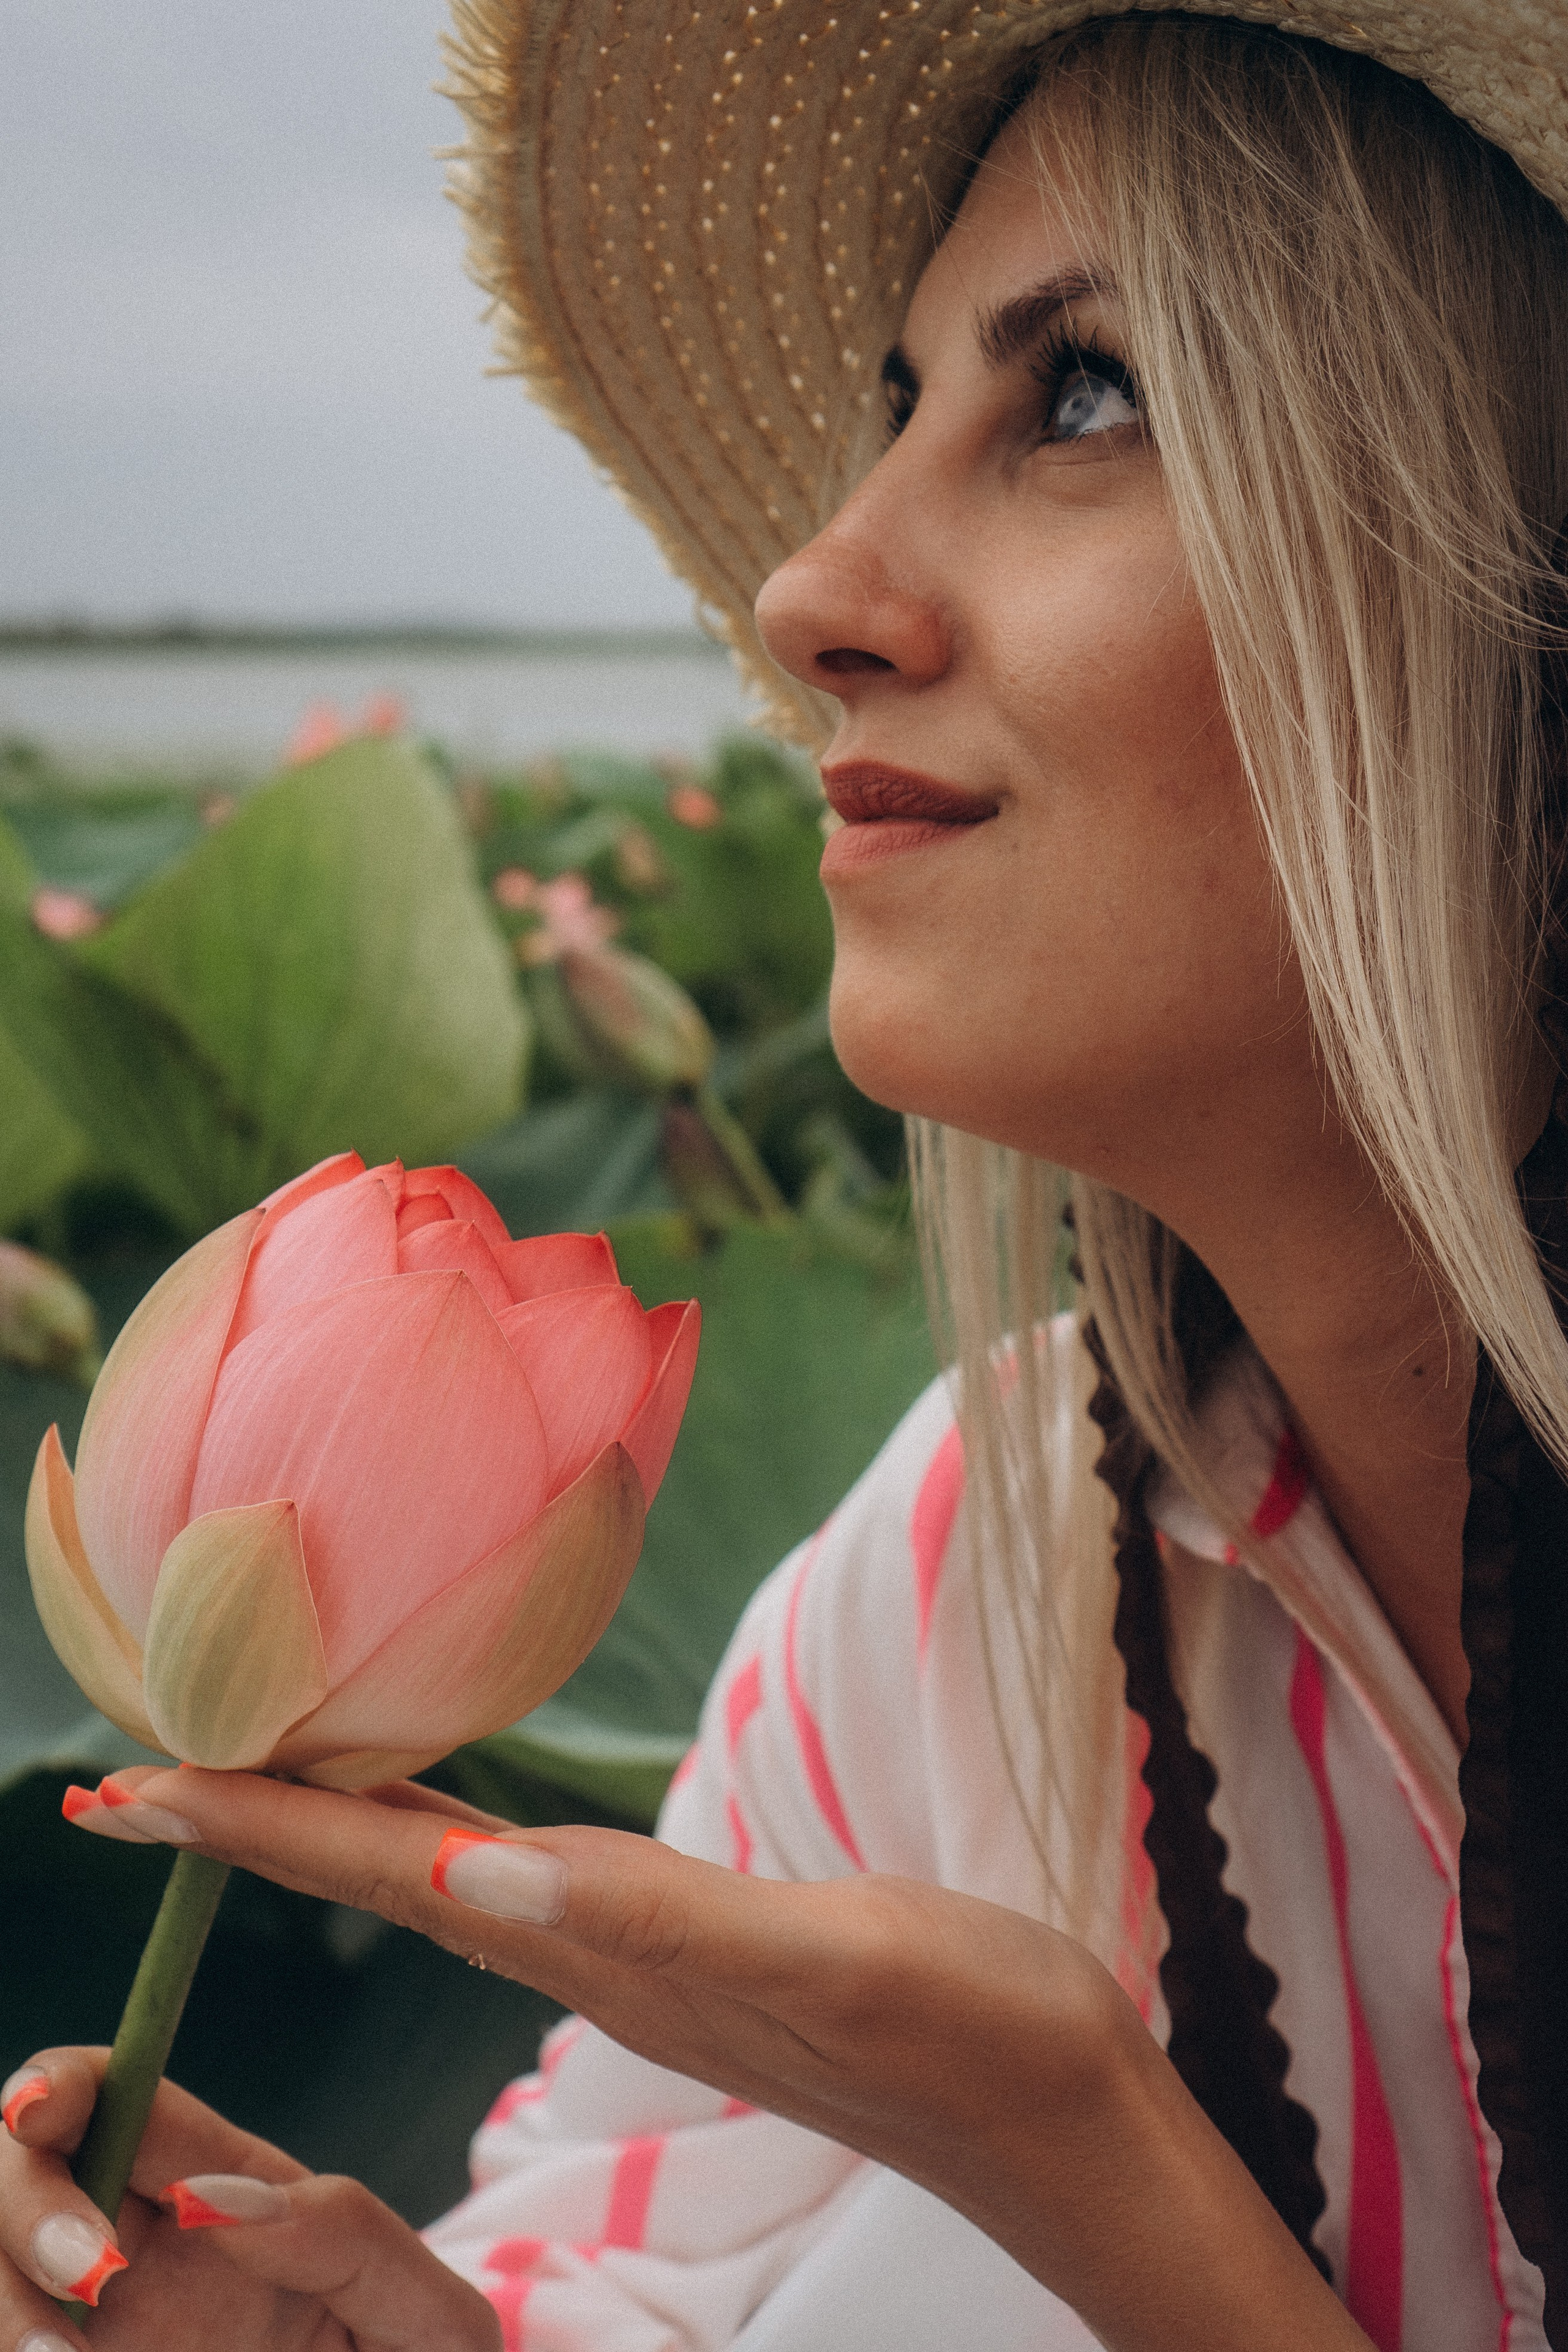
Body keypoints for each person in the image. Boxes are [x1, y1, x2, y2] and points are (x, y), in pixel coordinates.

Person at [2, 4, 1566, 2346]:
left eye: (1088, 394)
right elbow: (635, 2269)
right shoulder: (962, 1574)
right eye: (895, 405)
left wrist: (1087, 2163)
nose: (810, 595)